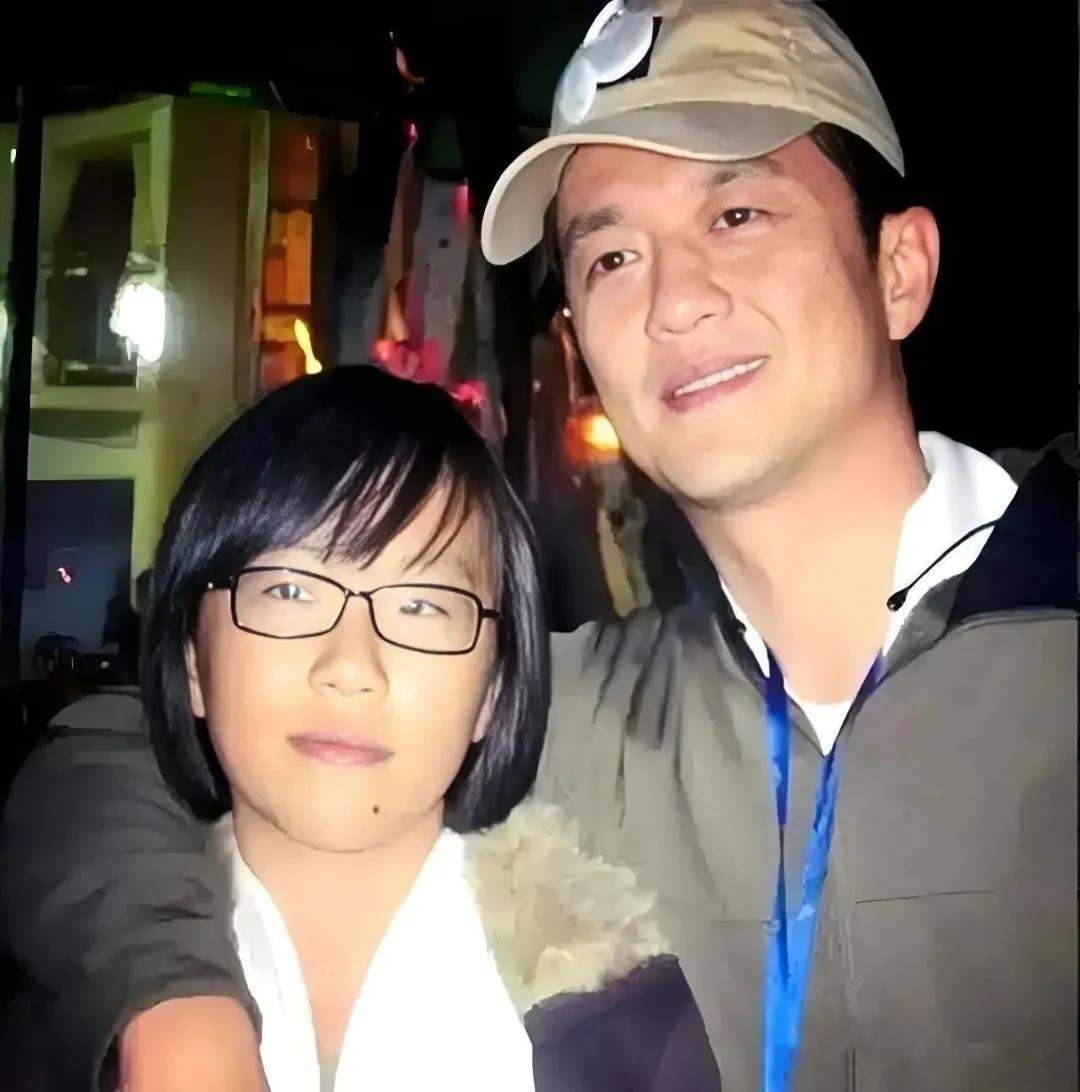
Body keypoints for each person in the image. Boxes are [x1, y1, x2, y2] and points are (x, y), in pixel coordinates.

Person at [1, 2, 1075, 1090]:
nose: (674, 301)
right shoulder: (588, 711)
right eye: (611, 256)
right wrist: (179, 1012)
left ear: (899, 267)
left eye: (739, 213)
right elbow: (123, 746)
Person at [1, 365, 719, 1091]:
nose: (350, 665)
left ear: (493, 691)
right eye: (289, 590)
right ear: (192, 659)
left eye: (421, 605)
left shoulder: (633, 1030)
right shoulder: (66, 1019)